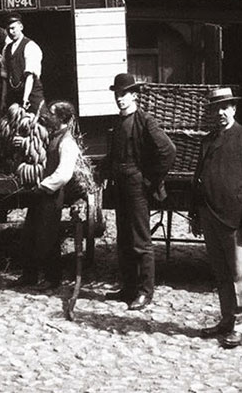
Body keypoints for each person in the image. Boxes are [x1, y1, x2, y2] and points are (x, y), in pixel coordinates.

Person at [193, 87, 242, 349]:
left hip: (236, 219)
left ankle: (241, 327)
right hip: (211, 215)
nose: (220, 113)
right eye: (216, 108)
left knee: (241, 274)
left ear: (234, 109)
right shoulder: (208, 140)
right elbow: (199, 178)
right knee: (221, 273)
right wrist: (196, 214)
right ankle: (227, 320)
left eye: (225, 107)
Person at [100, 73, 176, 311]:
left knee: (141, 240)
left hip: (137, 185)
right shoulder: (117, 122)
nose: (120, 99)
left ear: (134, 95)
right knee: (123, 237)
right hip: (120, 184)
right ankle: (129, 288)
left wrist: (150, 179)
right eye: (117, 94)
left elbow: (168, 150)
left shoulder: (145, 120)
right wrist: (101, 172)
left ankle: (145, 292)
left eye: (124, 94)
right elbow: (114, 154)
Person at [15, 101, 82, 290]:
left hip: (52, 194)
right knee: (30, 232)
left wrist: (43, 186)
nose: (48, 116)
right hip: (42, 193)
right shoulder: (53, 136)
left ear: (61, 118)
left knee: (48, 236)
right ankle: (30, 275)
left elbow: (64, 173)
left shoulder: (67, 142)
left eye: (52, 114)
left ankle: (52, 278)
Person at [2, 14, 44, 113]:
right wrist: (3, 101)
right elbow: (5, 77)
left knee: (40, 122)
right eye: (8, 29)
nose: (11, 32)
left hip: (32, 95)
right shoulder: (6, 49)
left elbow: (30, 76)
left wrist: (25, 98)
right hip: (14, 95)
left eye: (13, 28)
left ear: (21, 27)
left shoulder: (30, 46)